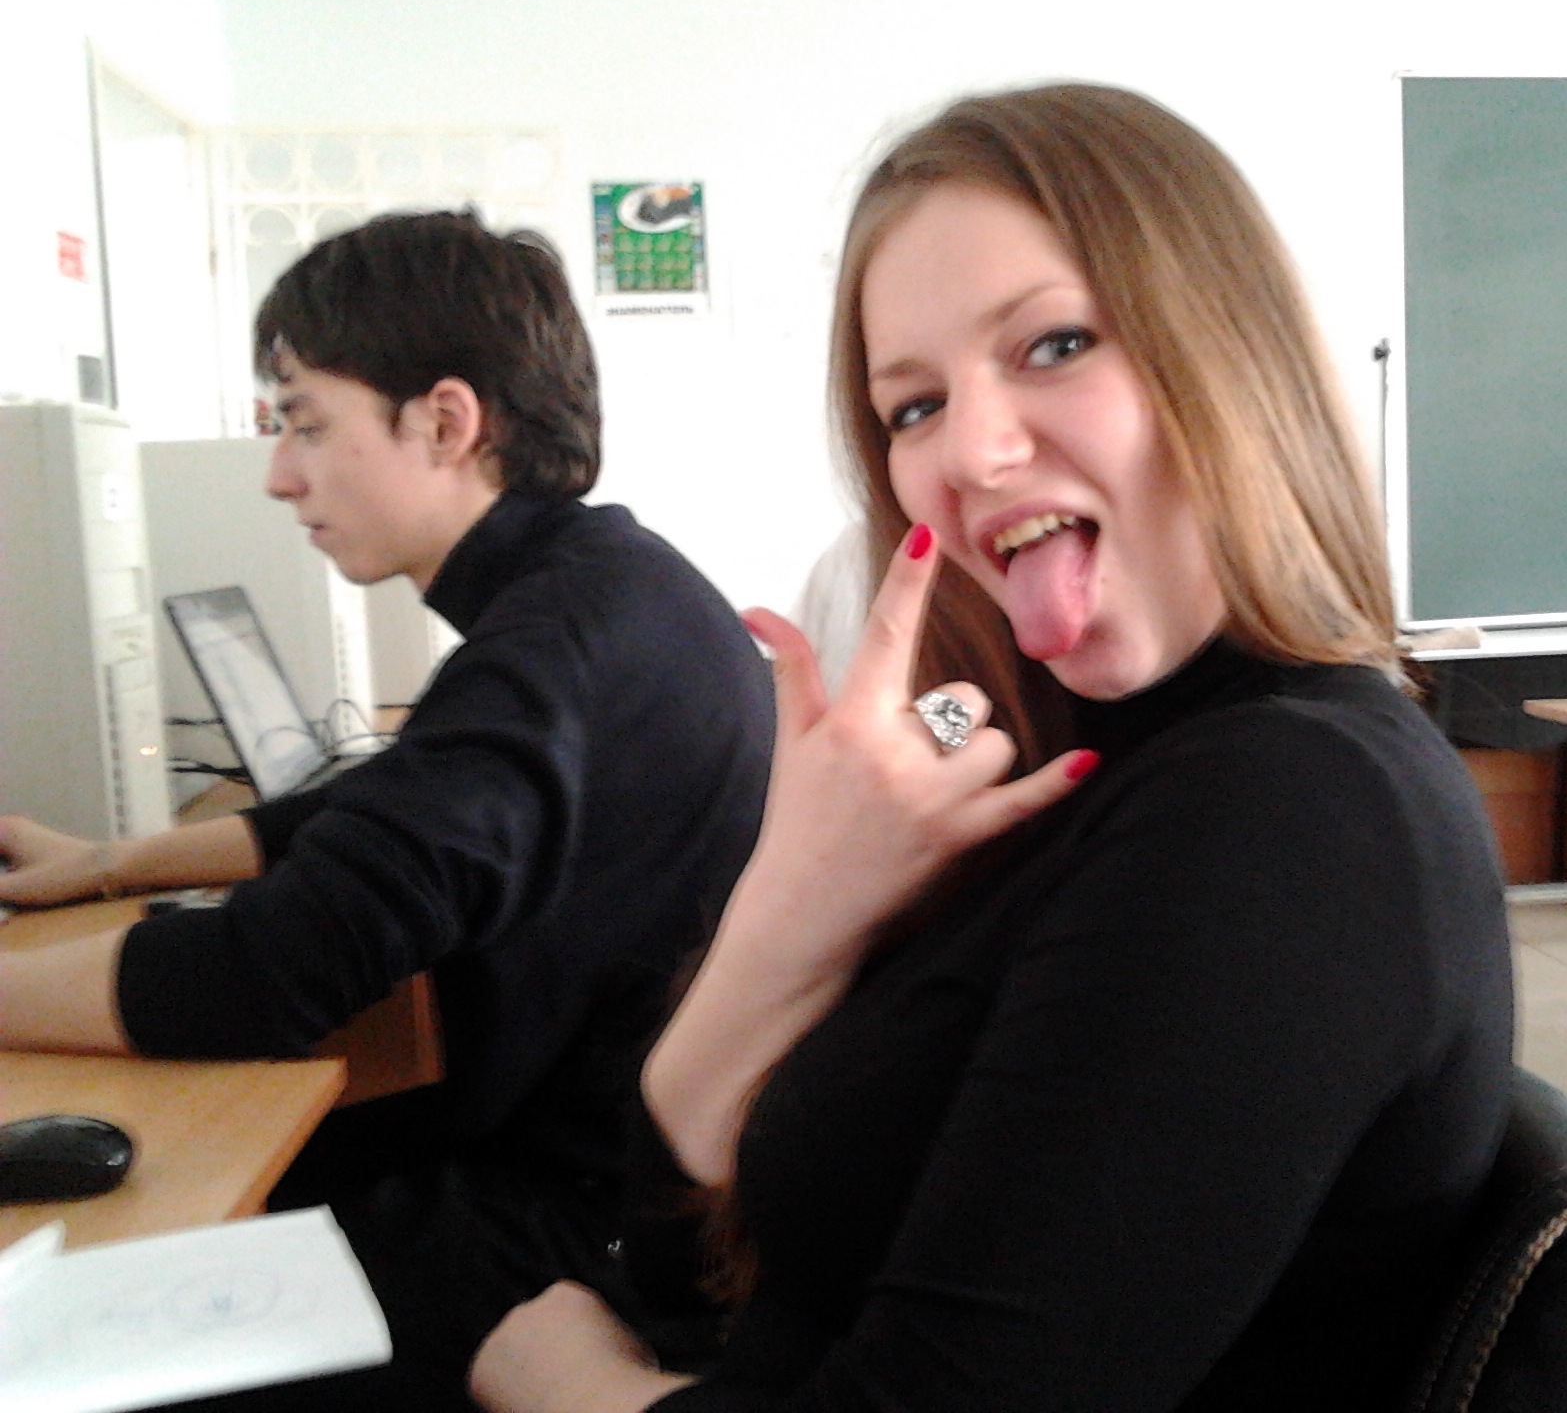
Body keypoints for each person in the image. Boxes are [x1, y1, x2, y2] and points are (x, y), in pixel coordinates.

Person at [469, 85, 1514, 1413]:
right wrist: (782, 921)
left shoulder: (1290, 810)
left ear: (1230, 357)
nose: (971, 451)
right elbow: (696, 1265)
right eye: (911, 408)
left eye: (1055, 344)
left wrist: (563, 1390)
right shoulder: (1051, 760)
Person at [0, 212, 775, 1411]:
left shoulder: (549, 651)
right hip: (615, 1177)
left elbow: (266, 974)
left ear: (447, 423)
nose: (279, 475)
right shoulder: (605, 589)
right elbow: (378, 806)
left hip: (565, 1238)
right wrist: (109, 862)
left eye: (307, 423)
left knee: (56, 1341)